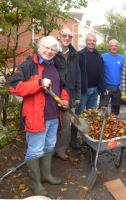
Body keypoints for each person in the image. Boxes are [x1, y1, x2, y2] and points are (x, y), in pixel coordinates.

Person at [9, 36, 70, 195]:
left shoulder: (56, 64)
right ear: (39, 46)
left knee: (49, 147)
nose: (50, 51)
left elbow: (60, 87)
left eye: (53, 49)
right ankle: (35, 182)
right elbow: (14, 87)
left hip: (53, 116)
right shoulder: (29, 65)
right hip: (36, 117)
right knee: (35, 151)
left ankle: (47, 175)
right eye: (46, 47)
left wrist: (64, 99)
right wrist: (39, 84)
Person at [71, 33, 105, 146]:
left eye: (94, 41)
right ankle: (74, 138)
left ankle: (88, 138)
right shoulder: (80, 55)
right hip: (83, 90)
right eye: (89, 40)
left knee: (91, 116)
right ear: (86, 41)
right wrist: (76, 92)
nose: (91, 42)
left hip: (95, 90)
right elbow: (75, 74)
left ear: (96, 42)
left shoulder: (98, 56)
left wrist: (101, 88)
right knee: (79, 115)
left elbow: (101, 73)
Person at [54, 27, 81, 158]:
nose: (67, 38)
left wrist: (77, 95)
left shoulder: (74, 55)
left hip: (69, 95)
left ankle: (61, 149)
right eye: (64, 35)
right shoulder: (53, 52)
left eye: (70, 36)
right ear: (59, 36)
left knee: (65, 124)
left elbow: (78, 75)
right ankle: (50, 148)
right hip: (53, 95)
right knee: (53, 123)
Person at [99, 39, 125, 115]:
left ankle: (112, 126)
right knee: (102, 108)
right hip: (106, 87)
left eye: (115, 46)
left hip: (118, 88)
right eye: (112, 46)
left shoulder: (122, 58)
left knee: (115, 109)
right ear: (109, 47)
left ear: (118, 47)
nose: (114, 47)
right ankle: (101, 125)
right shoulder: (103, 57)